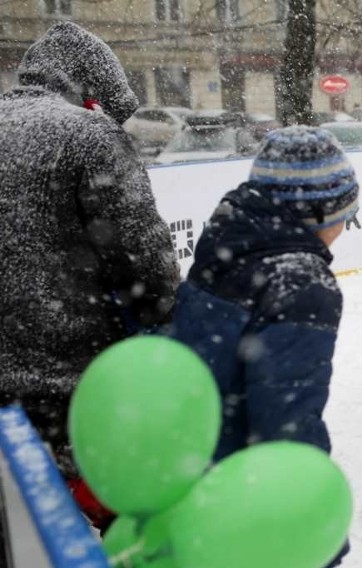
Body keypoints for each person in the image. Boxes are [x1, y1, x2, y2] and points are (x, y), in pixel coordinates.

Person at [0, 22, 180, 531]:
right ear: (93, 92)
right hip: (68, 394)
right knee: (72, 534)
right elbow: (146, 262)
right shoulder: (87, 133)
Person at [167, 125, 358, 565]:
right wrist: (310, 522)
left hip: (190, 465)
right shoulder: (301, 282)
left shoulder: (225, 245)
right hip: (244, 493)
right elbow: (286, 423)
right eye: (344, 210)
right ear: (318, 213)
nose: (346, 224)